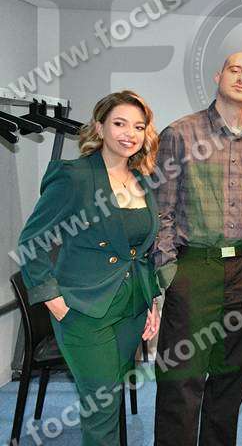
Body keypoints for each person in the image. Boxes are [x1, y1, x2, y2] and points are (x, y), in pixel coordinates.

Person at [18, 91, 162, 445]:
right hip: (84, 311)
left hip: (131, 309)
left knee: (110, 402)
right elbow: (32, 242)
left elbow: (142, 252)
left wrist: (151, 301)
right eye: (120, 123)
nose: (129, 133)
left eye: (138, 126)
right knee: (100, 409)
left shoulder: (143, 180)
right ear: (99, 127)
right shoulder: (74, 176)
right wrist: (54, 301)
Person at [152, 51, 242, 446]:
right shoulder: (180, 134)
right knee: (181, 378)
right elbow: (161, 210)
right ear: (218, 76)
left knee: (231, 378)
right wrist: (169, 273)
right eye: (234, 70)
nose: (241, 78)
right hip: (194, 269)